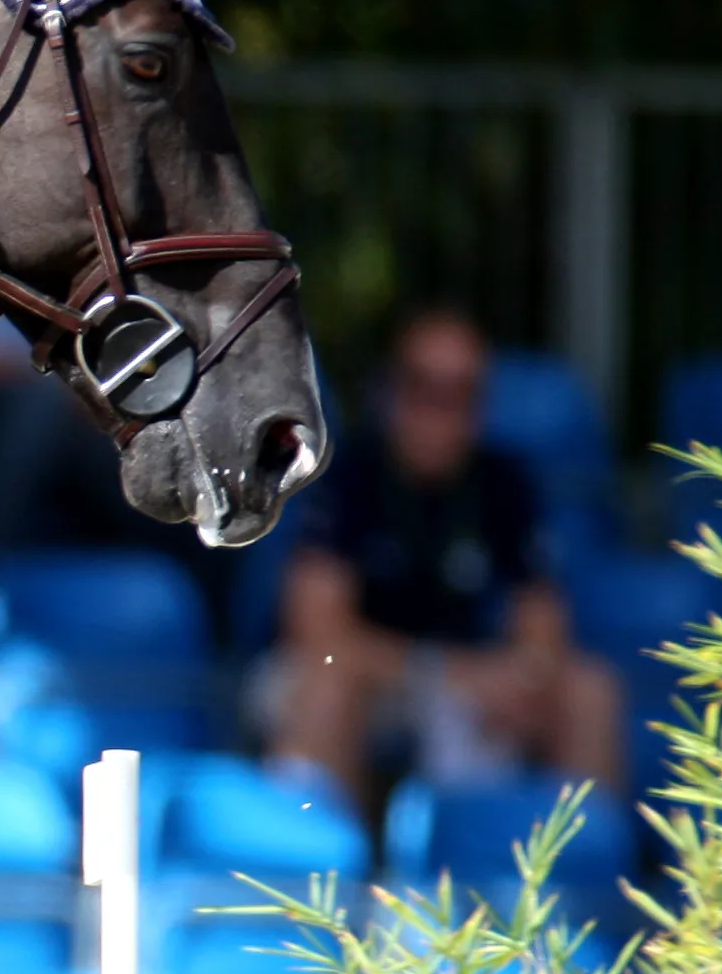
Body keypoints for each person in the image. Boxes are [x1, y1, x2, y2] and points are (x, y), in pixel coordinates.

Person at [267, 305, 623, 799]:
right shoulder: (348, 476)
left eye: (462, 393)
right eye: (424, 389)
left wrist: (520, 674)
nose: (441, 413)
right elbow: (319, 636)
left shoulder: (506, 482)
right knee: (324, 686)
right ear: (392, 392)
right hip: (375, 680)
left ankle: (579, 865)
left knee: (589, 691)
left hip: (473, 681)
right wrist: (443, 673)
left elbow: (544, 628)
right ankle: (327, 867)